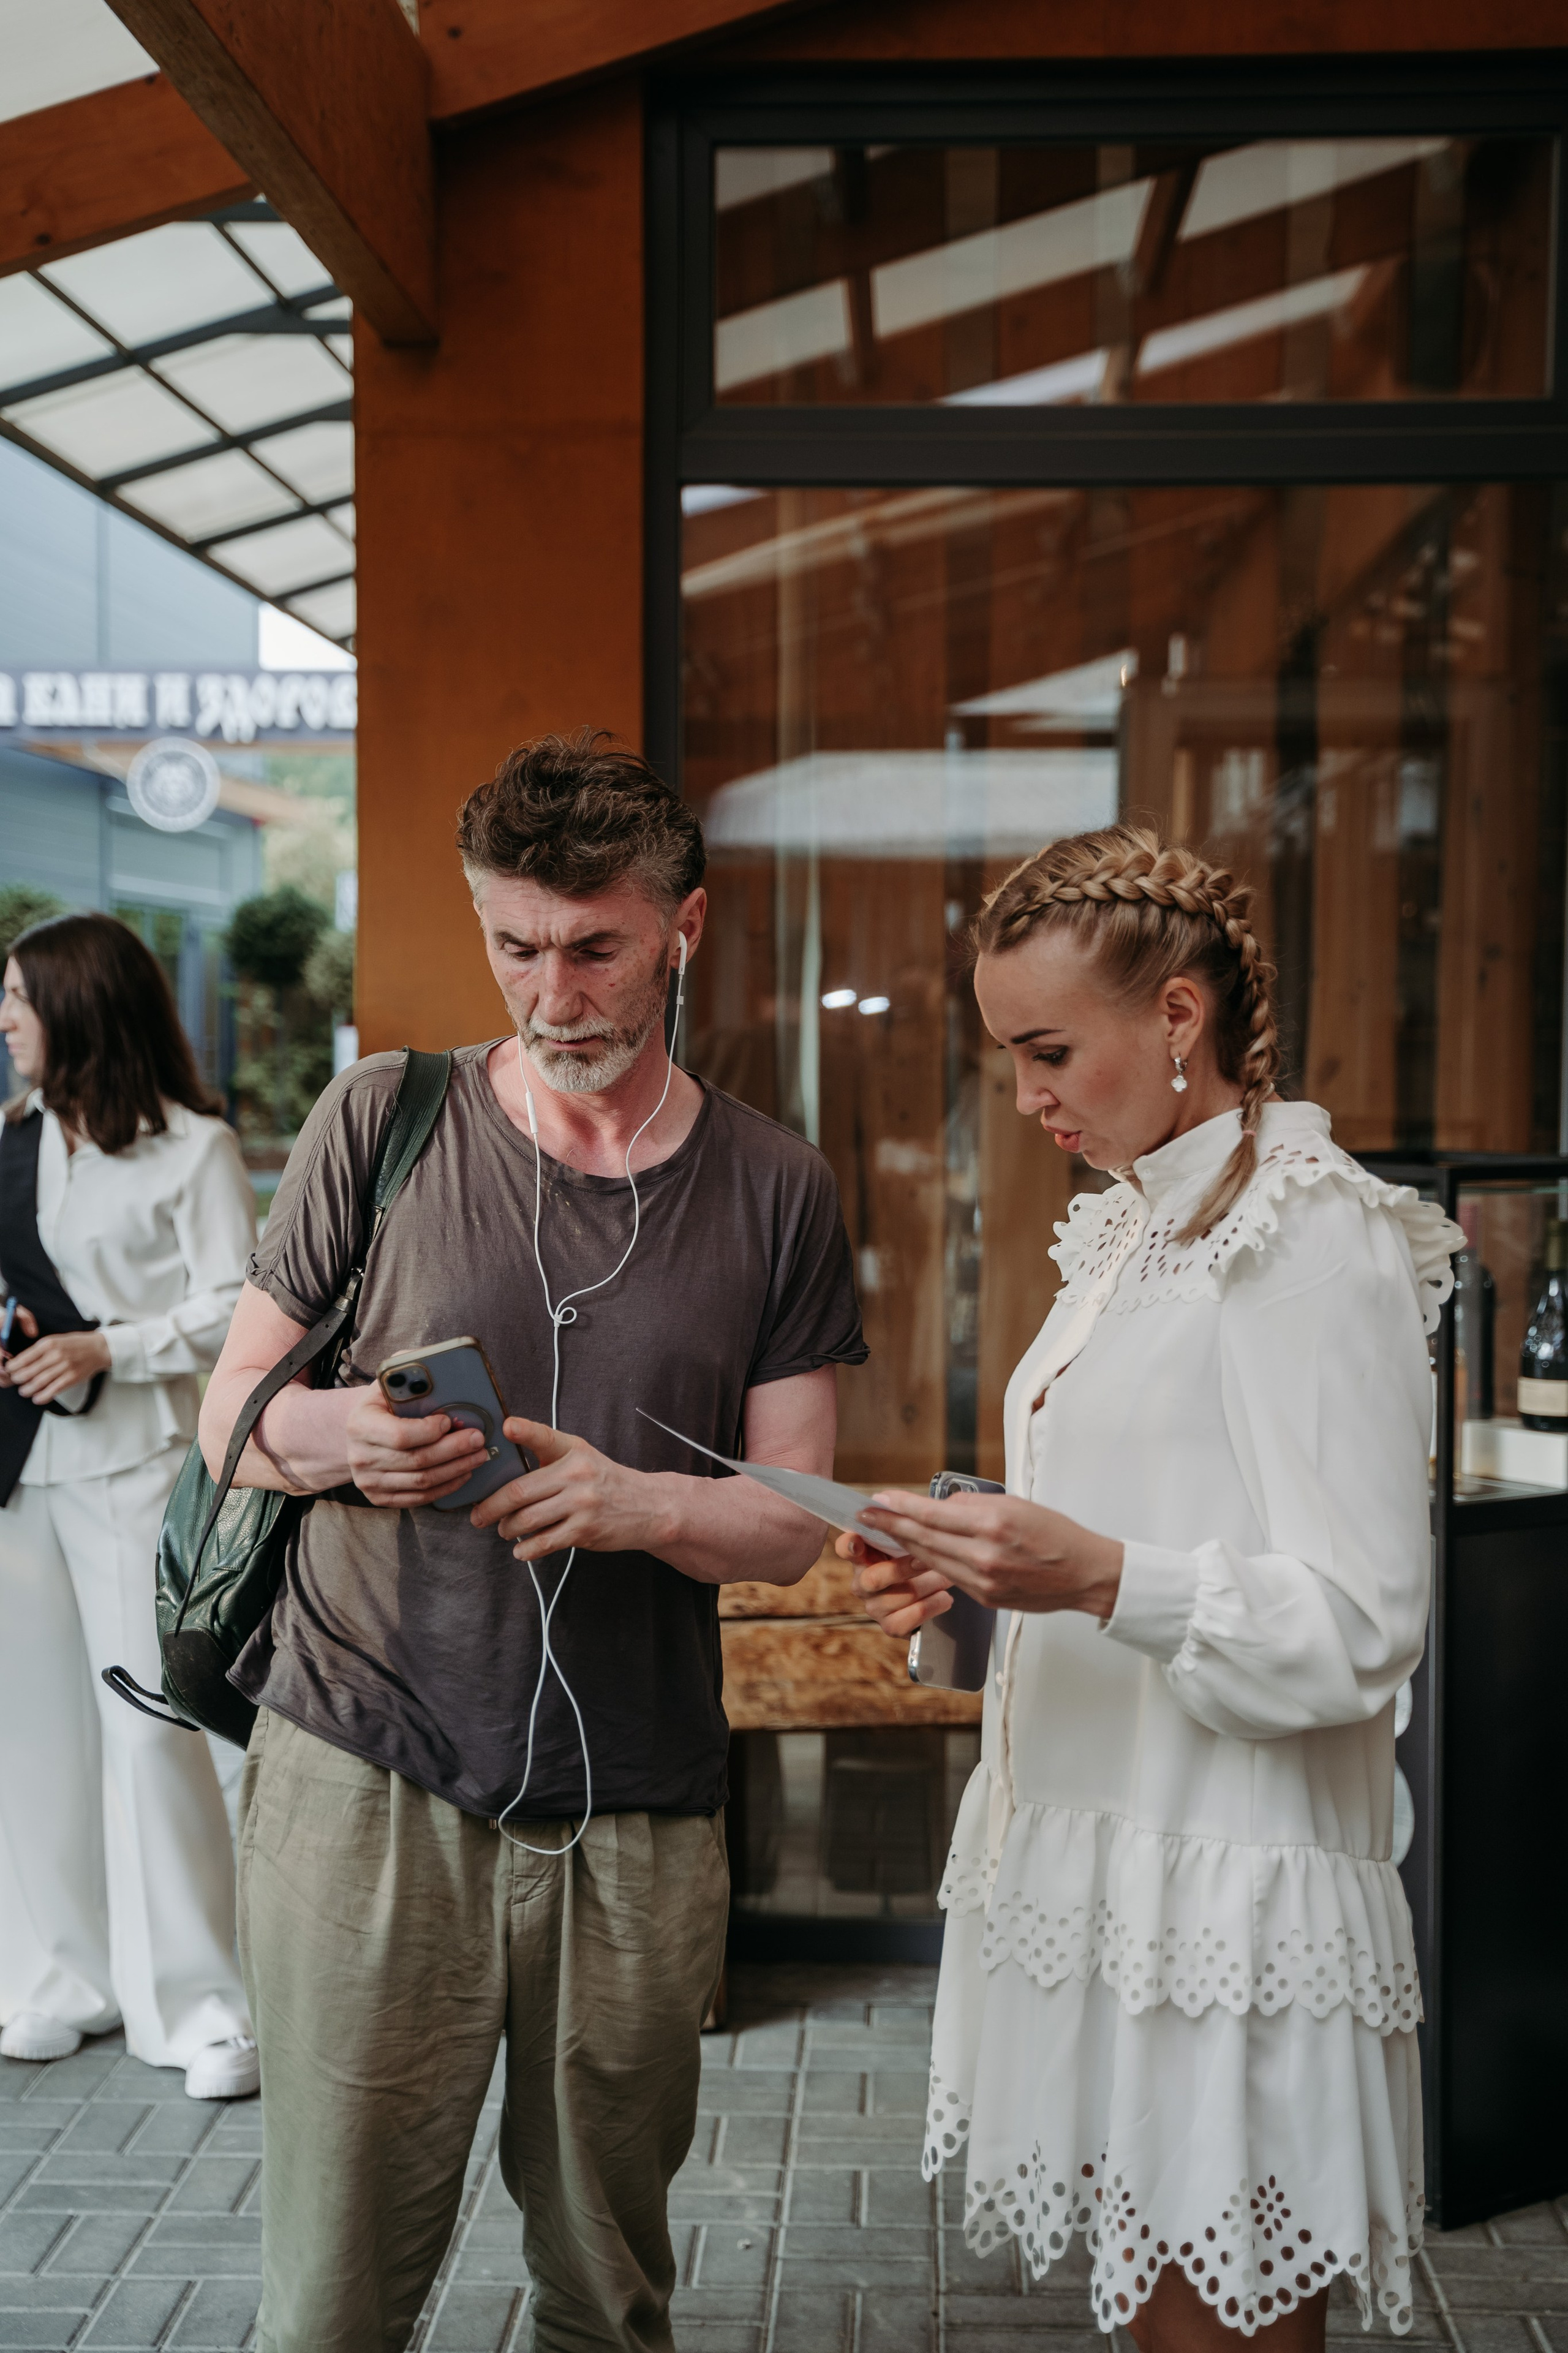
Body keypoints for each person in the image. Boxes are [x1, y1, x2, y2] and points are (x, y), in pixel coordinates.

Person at [200, 731, 867, 2353]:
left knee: (607, 2290)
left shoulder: (777, 1189)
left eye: (594, 948)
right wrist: (344, 1437)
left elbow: (792, 1522)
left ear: (683, 931)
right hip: (365, 1768)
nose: (551, 992)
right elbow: (227, 1418)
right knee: (331, 2297)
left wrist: (638, 1505)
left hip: (633, 1802)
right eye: (515, 946)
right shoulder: (383, 1122)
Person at [841, 826, 1460, 2351]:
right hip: (1098, 1848)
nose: (1025, 1093)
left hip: (1223, 1882)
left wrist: (1103, 1575)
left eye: (1047, 1049)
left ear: (1177, 1017)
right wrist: (972, 1575)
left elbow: (1367, 1618)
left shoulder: (1312, 1236)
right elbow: (1130, 1522)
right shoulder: (1124, 1229)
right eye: (1007, 1054)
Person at [0, 913, 259, 2099]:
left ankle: (202, 2005)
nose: (4, 1020)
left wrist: (114, 1342)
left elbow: (237, 1307)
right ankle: (63, 1979)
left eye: (19, 998)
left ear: (79, 1007)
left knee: (154, 1731)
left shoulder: (193, 1149)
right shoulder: (14, 1138)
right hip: (19, 1475)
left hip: (138, 1467)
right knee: (34, 1736)